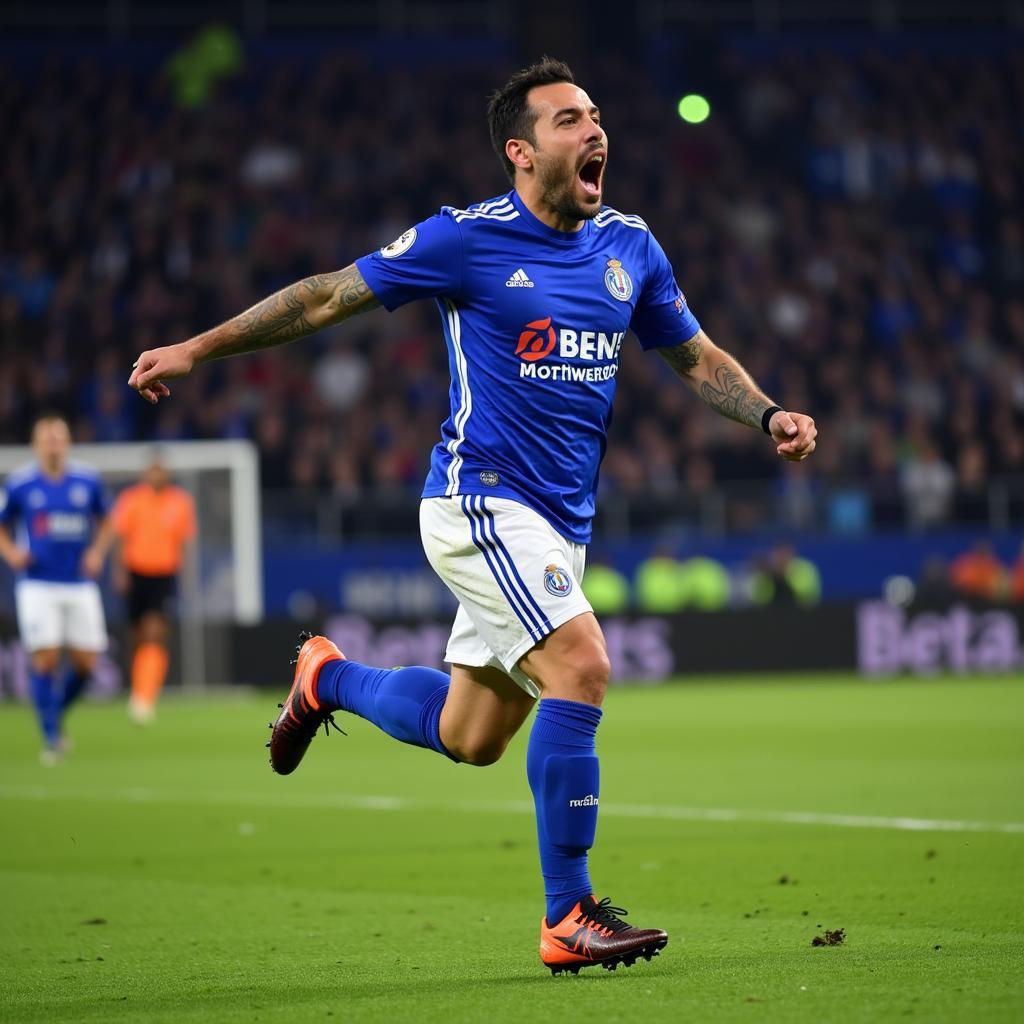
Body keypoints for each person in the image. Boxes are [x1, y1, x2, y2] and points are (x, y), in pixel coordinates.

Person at [128, 58, 817, 974]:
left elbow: (692, 358)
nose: (596, 130)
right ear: (521, 152)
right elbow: (329, 294)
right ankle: (567, 916)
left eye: (597, 114)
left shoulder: (632, 249)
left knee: (471, 737)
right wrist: (195, 348)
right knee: (583, 664)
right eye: (571, 120)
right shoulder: (466, 239)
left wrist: (767, 411)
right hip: (479, 501)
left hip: (558, 524)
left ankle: (323, 679)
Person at [0, 412, 115, 763]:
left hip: (79, 583)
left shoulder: (87, 481)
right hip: (38, 584)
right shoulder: (21, 484)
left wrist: (97, 552)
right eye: (46, 437)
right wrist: (12, 554)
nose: (52, 443)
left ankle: (55, 713)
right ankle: (51, 736)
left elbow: (109, 519)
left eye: (58, 437)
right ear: (36, 444)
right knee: (46, 658)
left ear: (67, 442)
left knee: (86, 663)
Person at [111, 453, 197, 723]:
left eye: (161, 470)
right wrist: (120, 572)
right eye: (153, 470)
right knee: (137, 637)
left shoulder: (180, 502)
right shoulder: (131, 499)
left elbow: (184, 544)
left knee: (155, 633)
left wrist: (185, 578)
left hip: (163, 574)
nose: (157, 474)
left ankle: (145, 698)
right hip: (137, 573)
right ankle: (140, 691)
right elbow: (121, 539)